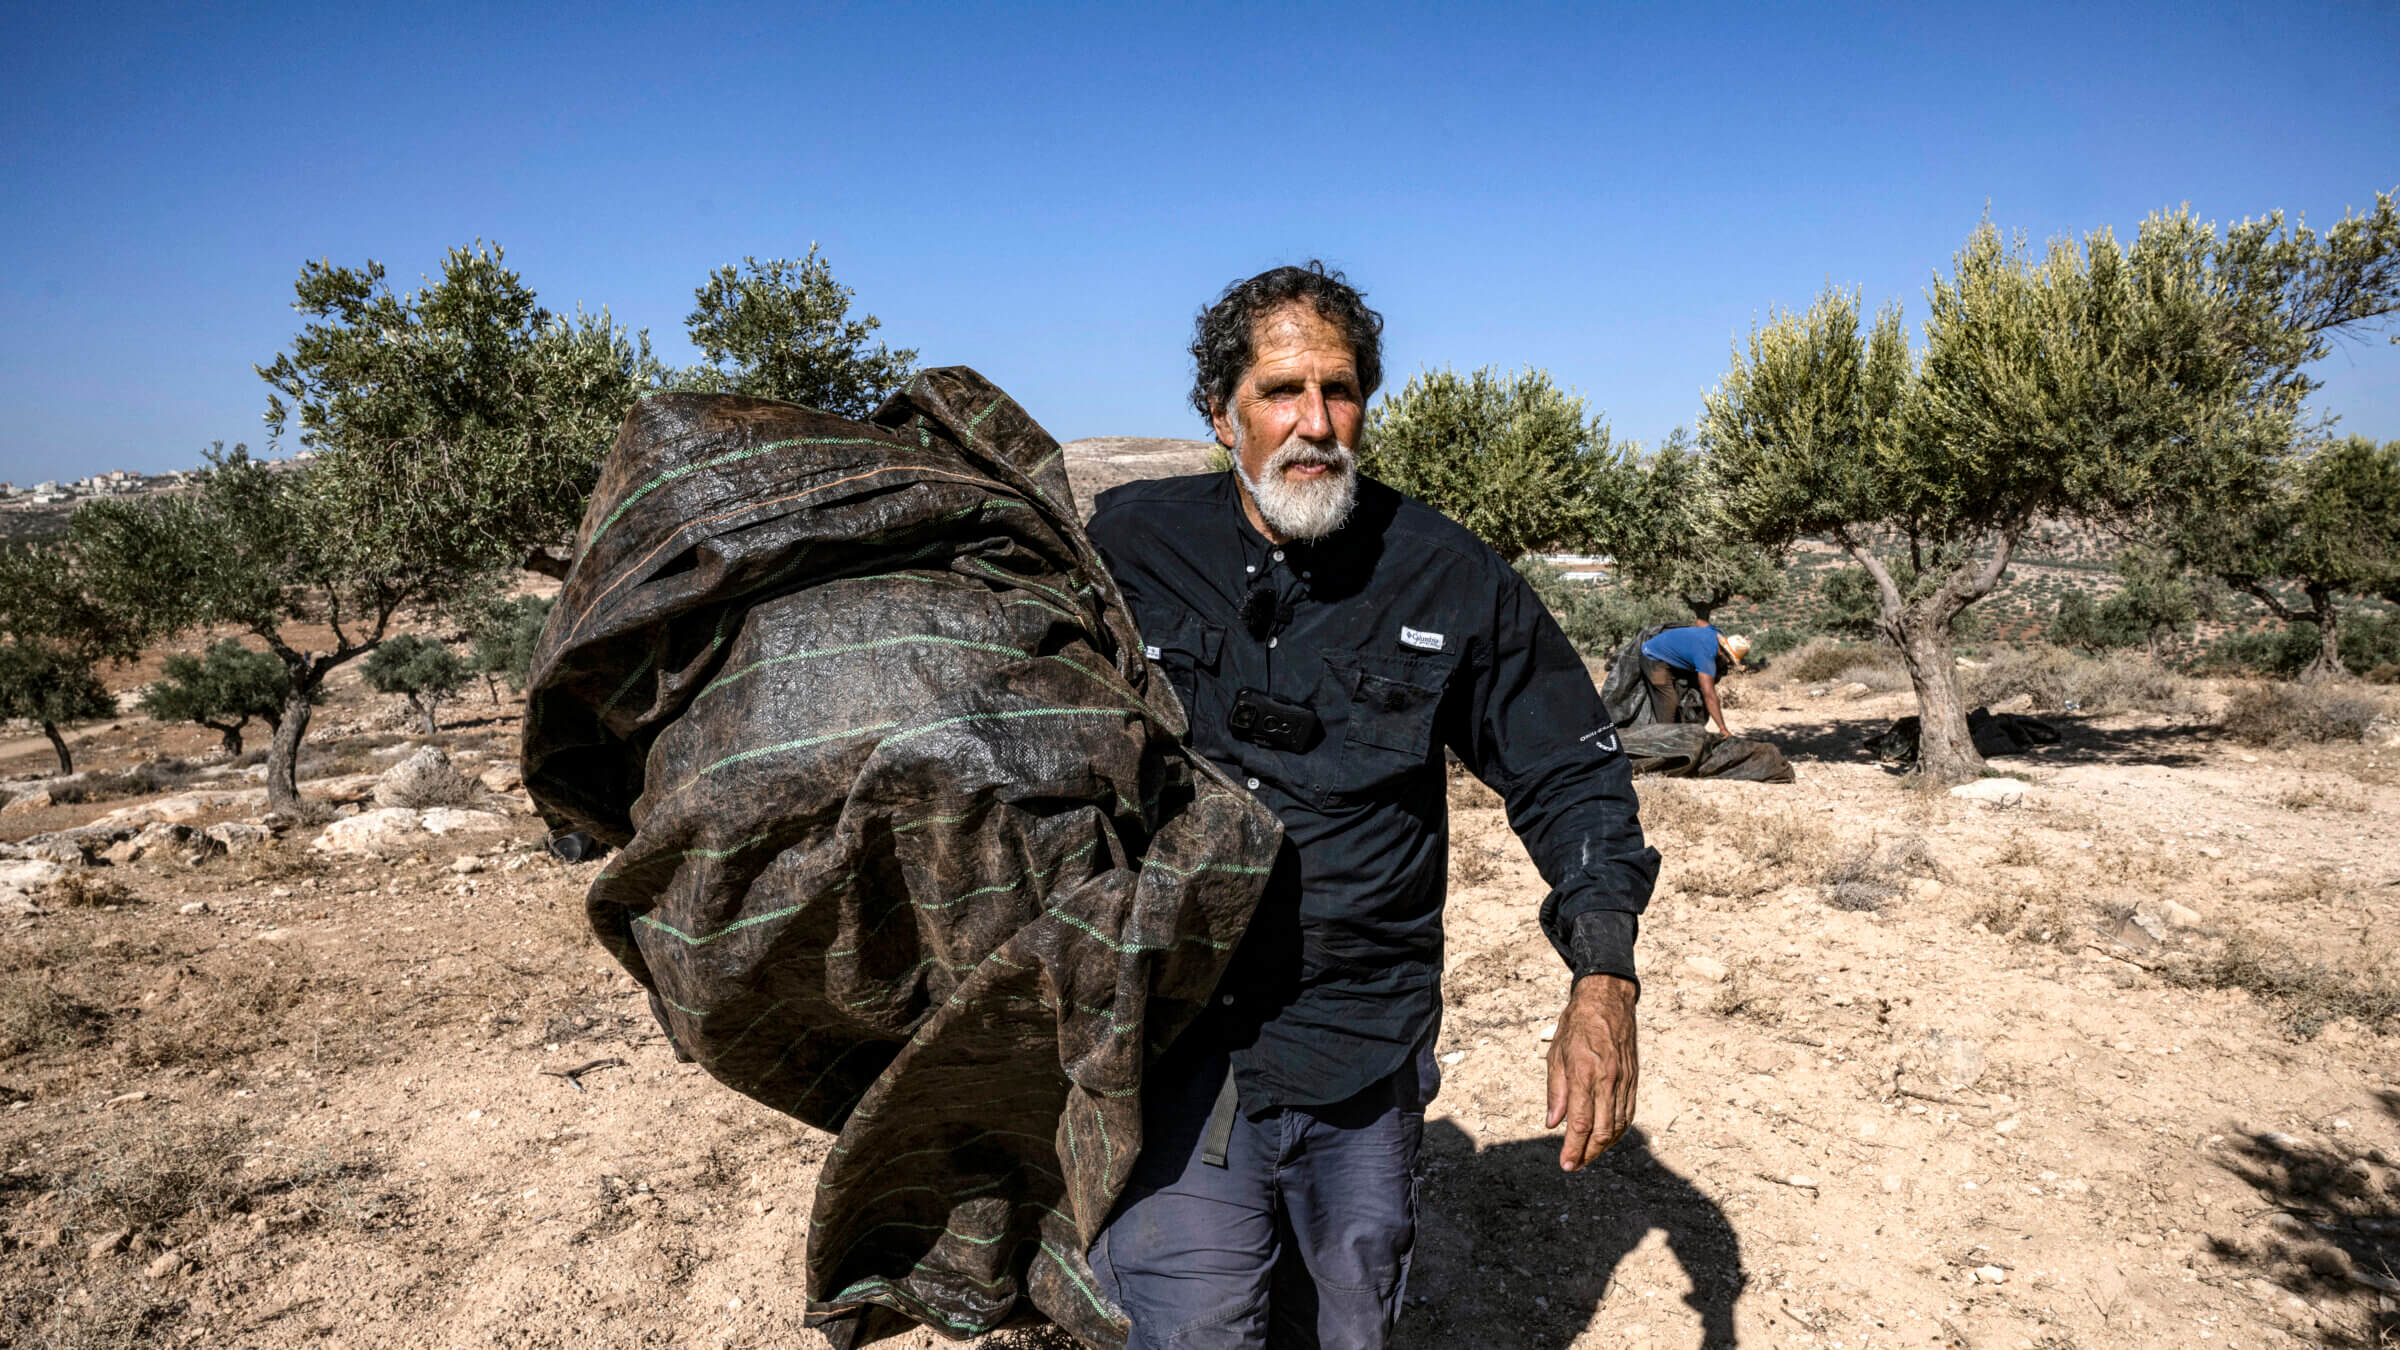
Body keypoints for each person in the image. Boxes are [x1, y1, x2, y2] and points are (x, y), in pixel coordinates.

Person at [1084, 262, 1661, 1350]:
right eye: (1280, 392)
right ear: (1221, 414)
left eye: (1340, 390)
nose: (1315, 424)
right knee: (1195, 1323)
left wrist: (1602, 973)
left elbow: (1570, 771)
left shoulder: (1448, 576)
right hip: (1176, 1039)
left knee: (1350, 1326)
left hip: (1362, 1048)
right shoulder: (1128, 547)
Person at [1636, 623, 1748, 737]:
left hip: (1667, 655)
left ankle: (1680, 732)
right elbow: (1709, 695)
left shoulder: (1716, 633)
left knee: (1691, 692)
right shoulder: (1706, 656)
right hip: (1653, 657)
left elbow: (1701, 622)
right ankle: (1664, 739)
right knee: (1670, 702)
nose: (1729, 662)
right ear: (1722, 650)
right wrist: (1722, 728)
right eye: (1729, 658)